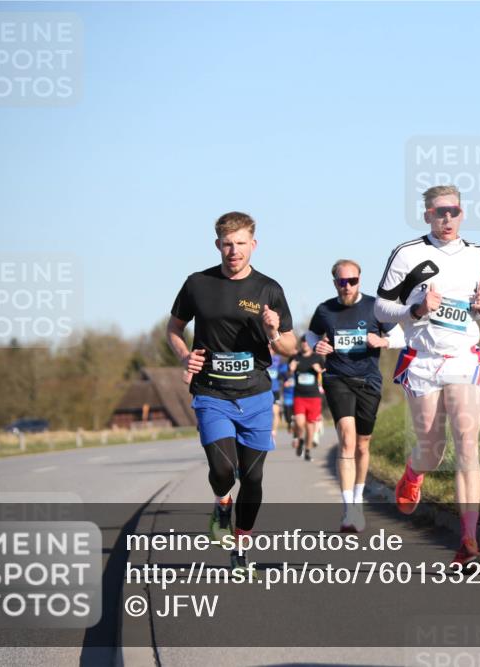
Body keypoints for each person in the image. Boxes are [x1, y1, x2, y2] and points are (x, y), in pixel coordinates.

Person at [166, 211, 296, 574]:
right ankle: (222, 503)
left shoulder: (269, 289)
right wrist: (184, 356)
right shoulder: (197, 283)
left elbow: (289, 345)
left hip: (255, 395)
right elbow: (174, 329)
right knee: (223, 469)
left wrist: (273, 332)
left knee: (253, 479)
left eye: (240, 244)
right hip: (212, 392)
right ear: (217, 245)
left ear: (253, 244)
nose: (233, 251)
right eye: (227, 244)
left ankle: (241, 547)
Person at [374, 185, 480, 573]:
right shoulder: (408, 253)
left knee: (467, 444)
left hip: (463, 357)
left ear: (463, 214)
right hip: (423, 360)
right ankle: (414, 472)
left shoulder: (479, 255)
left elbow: (475, 308)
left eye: (454, 211)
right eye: (439, 212)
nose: (447, 219)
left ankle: (468, 542)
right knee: (432, 449)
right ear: (426, 214)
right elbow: (380, 307)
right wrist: (416, 308)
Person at [308, 259, 404, 532]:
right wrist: (318, 345)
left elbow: (401, 338)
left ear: (360, 280)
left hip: (369, 381)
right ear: (335, 282)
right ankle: (349, 508)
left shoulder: (375, 307)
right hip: (337, 378)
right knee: (347, 439)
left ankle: (357, 499)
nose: (347, 286)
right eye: (342, 281)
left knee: (363, 444)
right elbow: (310, 335)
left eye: (353, 281)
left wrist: (383, 341)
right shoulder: (325, 310)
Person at [289, 336, 325, 461]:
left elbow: (324, 373)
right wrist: (290, 369)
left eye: (307, 342)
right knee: (299, 423)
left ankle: (308, 450)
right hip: (299, 395)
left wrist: (319, 370)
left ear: (310, 344)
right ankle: (300, 439)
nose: (304, 344)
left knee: (310, 426)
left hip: (314, 397)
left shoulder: (317, 357)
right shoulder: (295, 357)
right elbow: (287, 375)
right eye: (303, 341)